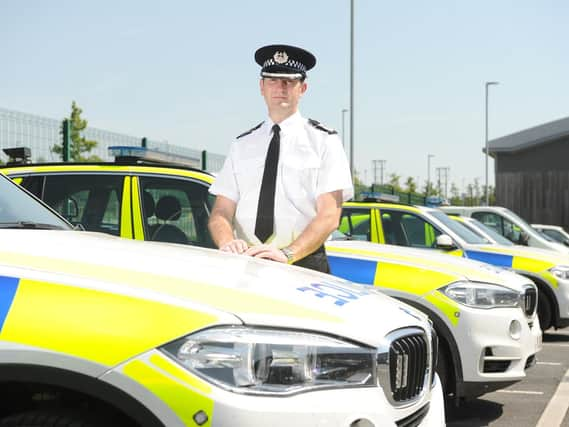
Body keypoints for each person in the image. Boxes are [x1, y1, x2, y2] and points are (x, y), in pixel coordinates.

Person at [208, 44, 353, 273]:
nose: (280, 88)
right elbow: (220, 212)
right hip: (246, 262)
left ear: (302, 88)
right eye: (273, 80)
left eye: (289, 81)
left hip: (302, 263)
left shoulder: (324, 141)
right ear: (261, 87)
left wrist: (287, 254)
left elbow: (330, 215)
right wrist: (227, 241)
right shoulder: (242, 145)